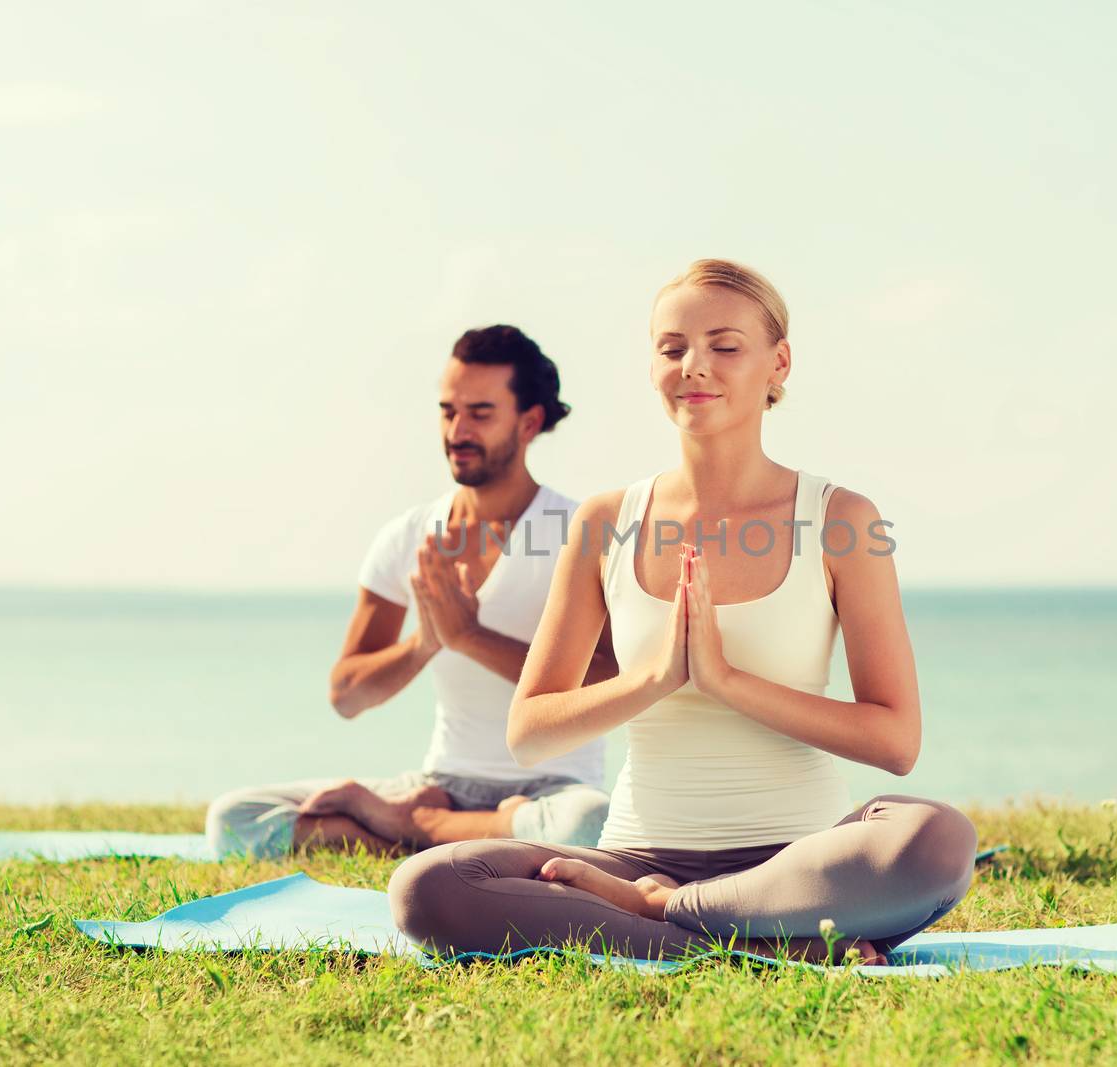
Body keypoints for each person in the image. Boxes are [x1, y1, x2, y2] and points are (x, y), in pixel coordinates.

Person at [388, 261, 977, 964]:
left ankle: (672, 918)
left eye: (725, 346)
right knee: (429, 885)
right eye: (672, 348)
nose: (694, 366)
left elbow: (896, 740)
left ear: (777, 362)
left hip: (798, 865)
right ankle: (760, 944)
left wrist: (727, 681)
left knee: (936, 838)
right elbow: (530, 731)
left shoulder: (840, 518)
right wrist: (656, 679)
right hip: (636, 856)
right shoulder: (608, 521)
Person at [206, 326, 616, 857]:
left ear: (529, 422)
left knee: (591, 826)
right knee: (235, 821)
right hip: (442, 782)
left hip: (553, 792)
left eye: (480, 413)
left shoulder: (578, 531)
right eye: (448, 411)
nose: (458, 430)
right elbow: (347, 695)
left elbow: (608, 680)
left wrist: (469, 636)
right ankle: (448, 828)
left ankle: (411, 828)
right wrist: (425, 642)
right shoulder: (409, 535)